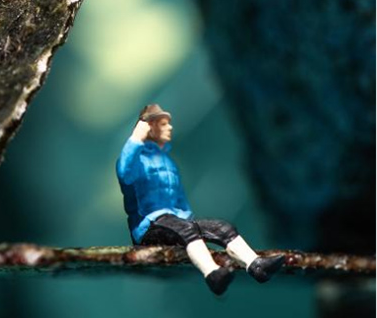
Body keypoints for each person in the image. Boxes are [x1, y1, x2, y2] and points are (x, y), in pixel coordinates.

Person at [116, 103, 284, 295]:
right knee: (186, 230)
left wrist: (190, 222)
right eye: (163, 124)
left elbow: (178, 199)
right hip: (149, 229)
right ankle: (212, 274)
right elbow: (124, 173)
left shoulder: (167, 162)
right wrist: (136, 138)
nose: (169, 127)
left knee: (221, 228)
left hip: (174, 224)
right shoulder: (136, 159)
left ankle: (256, 266)